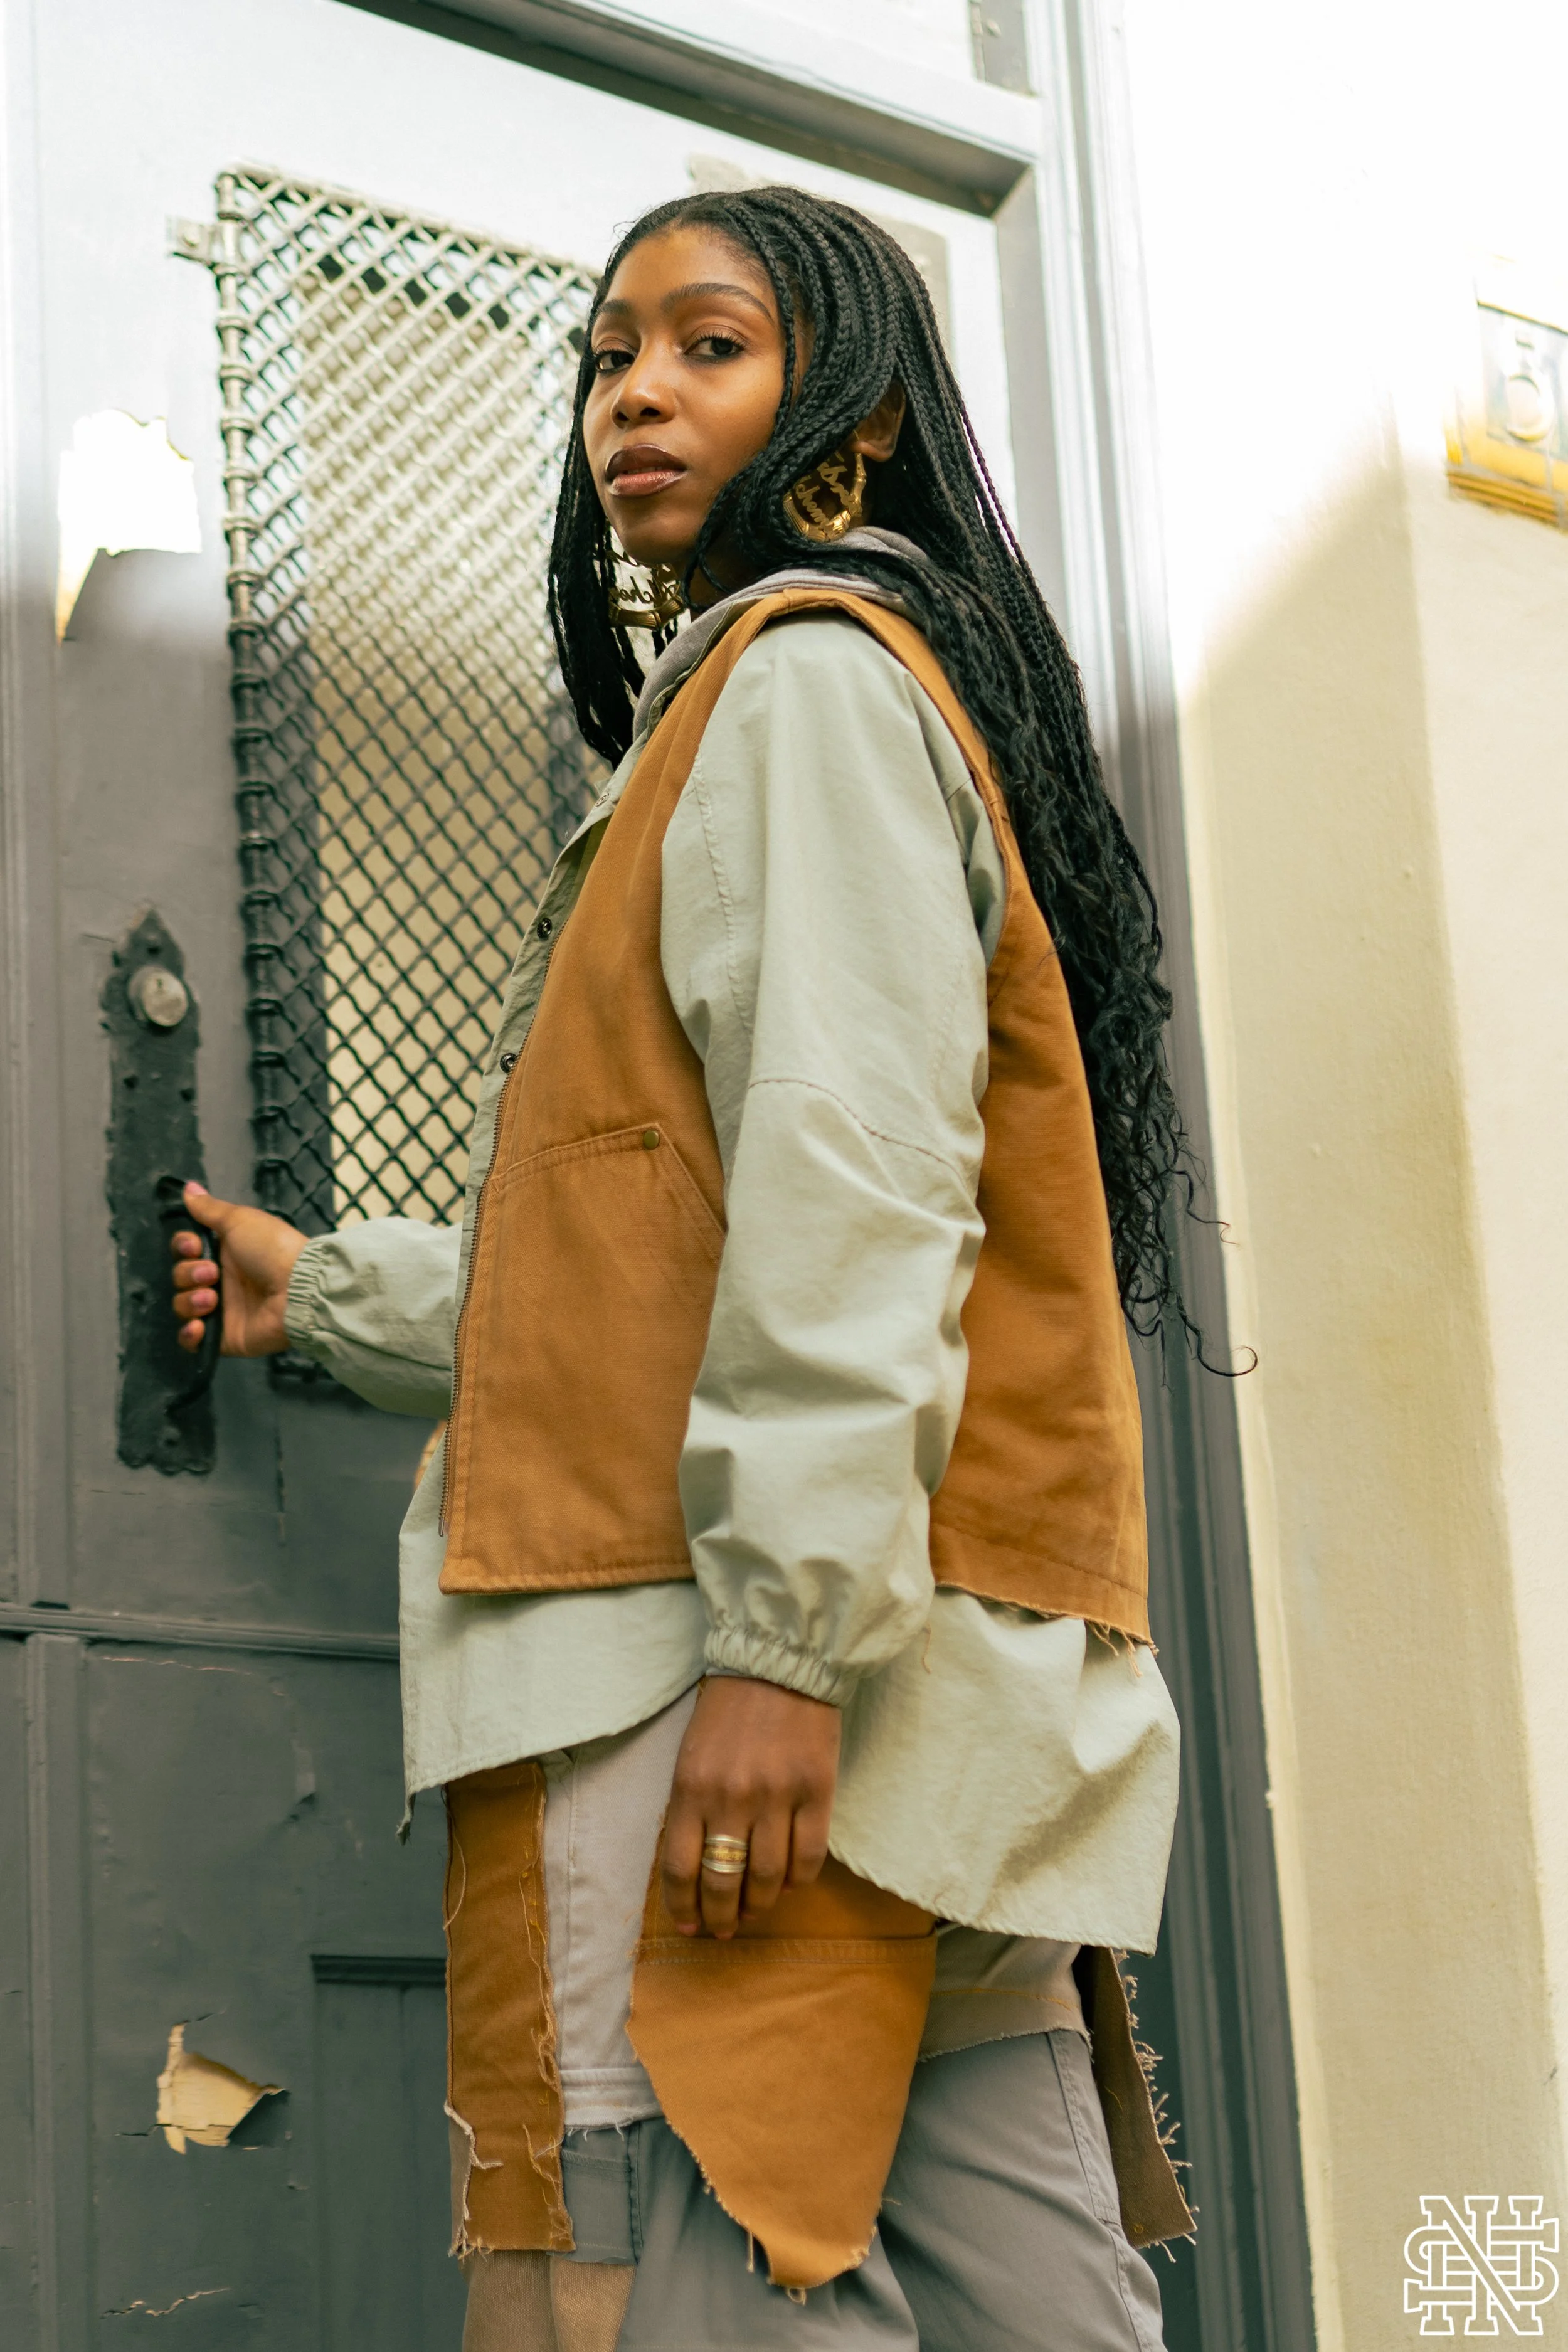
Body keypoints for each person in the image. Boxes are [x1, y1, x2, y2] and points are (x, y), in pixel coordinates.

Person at [172, 185, 1197, 2352]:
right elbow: (661, 1237)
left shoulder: (800, 684)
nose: (632, 388)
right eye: (605, 354)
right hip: (911, 1680)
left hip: (705, 1669)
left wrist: (779, 1655)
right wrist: (326, 1298)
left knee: (646, 2297)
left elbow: (848, 1179)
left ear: (845, 414)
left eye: (706, 345)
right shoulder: (837, 692)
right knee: (1028, 2279)